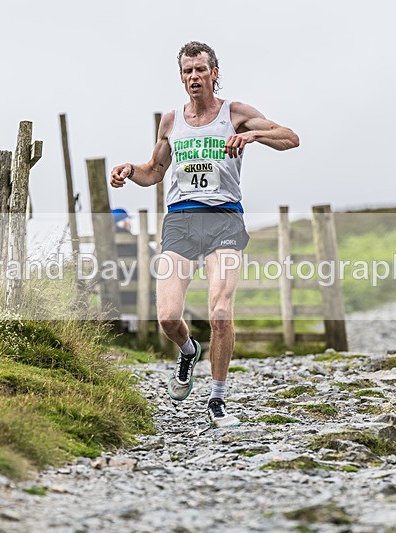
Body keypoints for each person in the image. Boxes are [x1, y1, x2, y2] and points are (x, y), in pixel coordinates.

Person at [110, 41, 299, 427]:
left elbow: (290, 137)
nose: (194, 77)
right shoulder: (170, 121)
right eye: (187, 71)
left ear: (214, 72)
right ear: (181, 77)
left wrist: (252, 137)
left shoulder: (236, 113)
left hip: (224, 221)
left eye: (200, 70)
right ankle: (188, 350)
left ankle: (217, 399)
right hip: (180, 221)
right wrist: (131, 170)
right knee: (166, 317)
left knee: (220, 311)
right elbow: (154, 172)